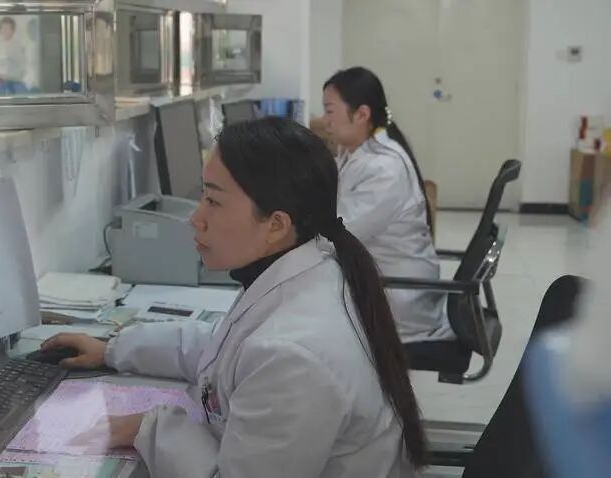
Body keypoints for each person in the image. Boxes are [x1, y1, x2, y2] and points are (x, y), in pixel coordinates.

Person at [41, 118, 426, 477]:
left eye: (213, 200)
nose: (196, 218)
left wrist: (147, 427)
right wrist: (113, 349)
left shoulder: (294, 354)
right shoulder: (306, 270)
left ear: (276, 225)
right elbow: (220, 352)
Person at [322, 66, 453, 343]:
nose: (324, 121)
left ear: (362, 114)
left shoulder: (384, 166)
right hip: (381, 282)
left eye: (329, 111)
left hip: (398, 297)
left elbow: (341, 235)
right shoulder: (356, 153)